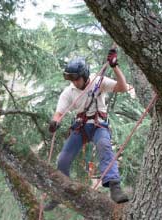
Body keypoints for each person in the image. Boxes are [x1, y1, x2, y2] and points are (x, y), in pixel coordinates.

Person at [45, 49, 132, 211]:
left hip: (99, 125)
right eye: (71, 79)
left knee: (104, 145)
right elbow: (59, 113)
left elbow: (122, 87)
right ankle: (60, 193)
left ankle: (114, 187)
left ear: (84, 75)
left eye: (76, 78)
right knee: (62, 159)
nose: (74, 82)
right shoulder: (68, 92)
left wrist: (115, 67)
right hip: (80, 127)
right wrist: (54, 122)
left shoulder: (99, 82)